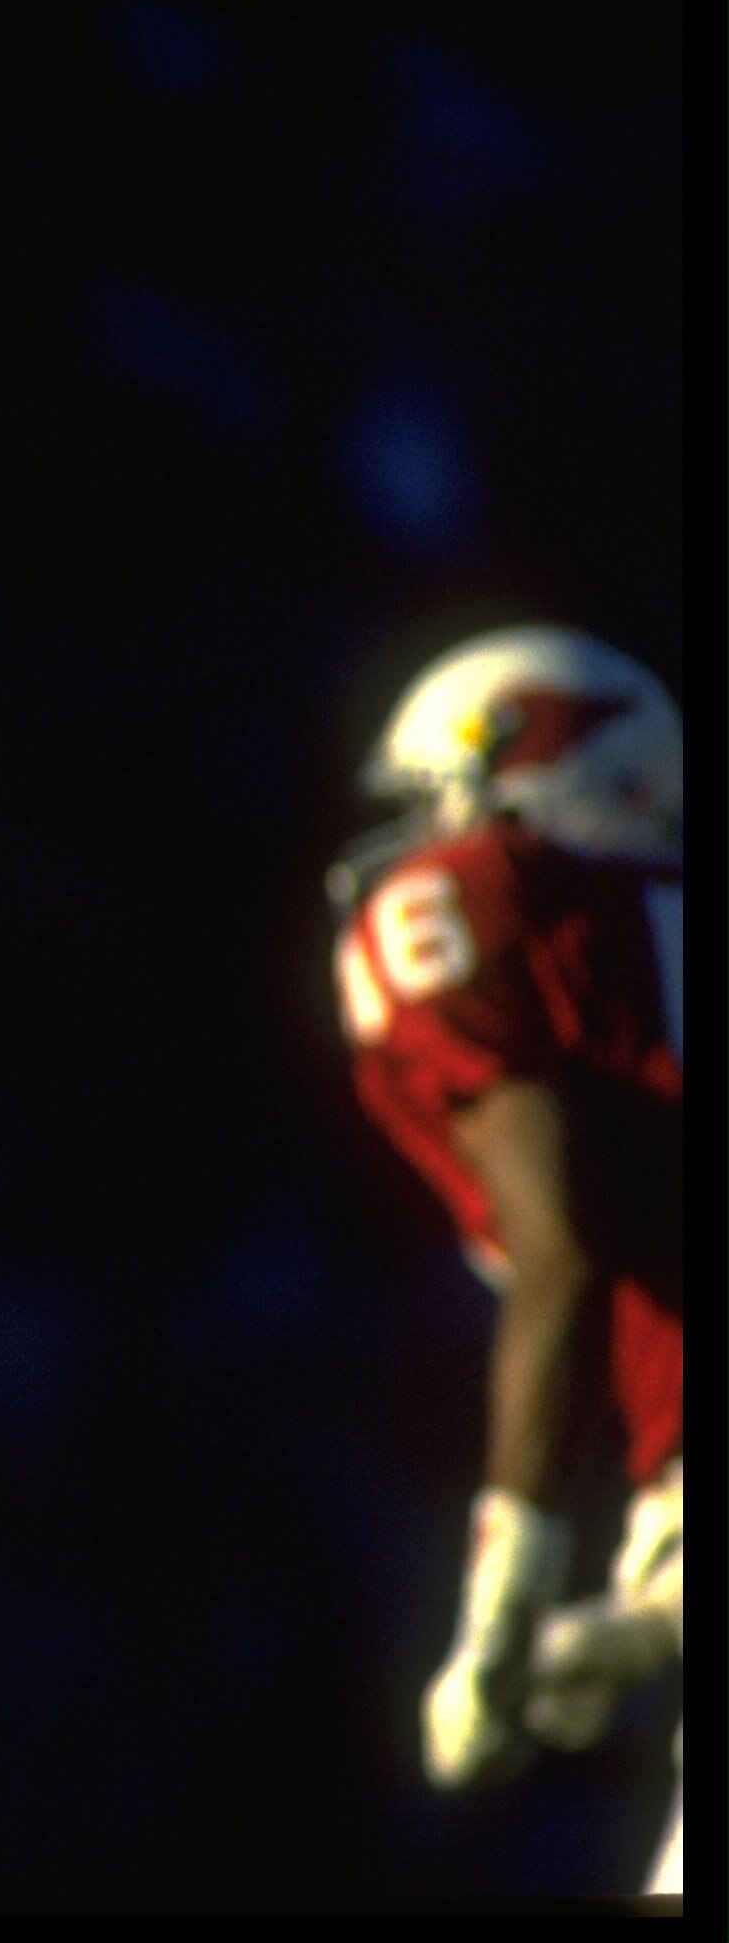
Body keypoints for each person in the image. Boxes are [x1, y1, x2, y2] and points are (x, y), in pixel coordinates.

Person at [328, 626, 685, 1896]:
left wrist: (501, 1612)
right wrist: (650, 1621)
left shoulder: (486, 897)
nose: (432, 836)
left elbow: (563, 1253)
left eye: (446, 798)